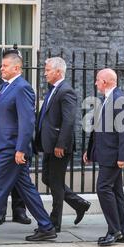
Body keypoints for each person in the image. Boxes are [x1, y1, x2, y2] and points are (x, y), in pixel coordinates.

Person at [0, 52, 56, 245]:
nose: (1, 68)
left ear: (17, 68)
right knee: (26, 189)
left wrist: (21, 149)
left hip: (13, 149)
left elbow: (27, 122)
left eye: (5, 66)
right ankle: (47, 227)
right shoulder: (5, 87)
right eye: (2, 65)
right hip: (5, 146)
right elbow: (2, 118)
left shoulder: (22, 88)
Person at [35, 57, 91, 232]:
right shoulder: (53, 90)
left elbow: (69, 120)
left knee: (56, 182)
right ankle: (79, 203)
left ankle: (55, 222)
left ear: (58, 72)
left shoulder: (66, 91)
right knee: (47, 178)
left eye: (48, 70)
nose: (44, 73)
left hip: (59, 146)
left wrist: (61, 144)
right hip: (49, 144)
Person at [83, 68, 124, 246]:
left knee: (103, 188)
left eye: (97, 80)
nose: (95, 83)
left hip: (113, 156)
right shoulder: (106, 99)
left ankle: (114, 230)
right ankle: (122, 233)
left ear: (105, 81)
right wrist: (90, 152)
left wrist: (123, 157)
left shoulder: (121, 99)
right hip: (106, 153)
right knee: (116, 192)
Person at [0, 73, 31, 225]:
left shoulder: (22, 86)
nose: (3, 69)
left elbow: (26, 117)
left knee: (22, 181)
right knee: (0, 182)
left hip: (18, 140)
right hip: (2, 140)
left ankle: (20, 211)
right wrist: (1, 106)